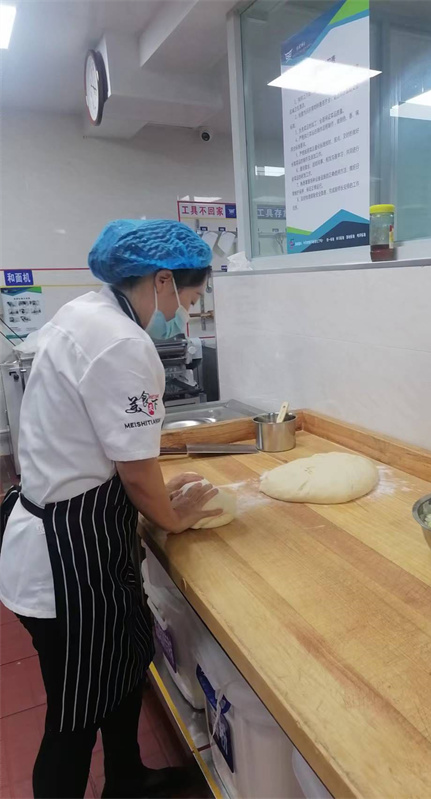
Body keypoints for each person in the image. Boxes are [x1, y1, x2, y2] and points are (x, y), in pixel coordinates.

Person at [0, 219, 222, 799]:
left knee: (125, 666)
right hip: (65, 560)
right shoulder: (124, 342)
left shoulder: (83, 312)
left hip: (77, 532)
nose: (185, 314)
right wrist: (172, 515)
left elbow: (101, 447)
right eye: (189, 300)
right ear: (163, 280)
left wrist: (159, 494)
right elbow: (134, 470)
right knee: (73, 720)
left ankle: (127, 778)